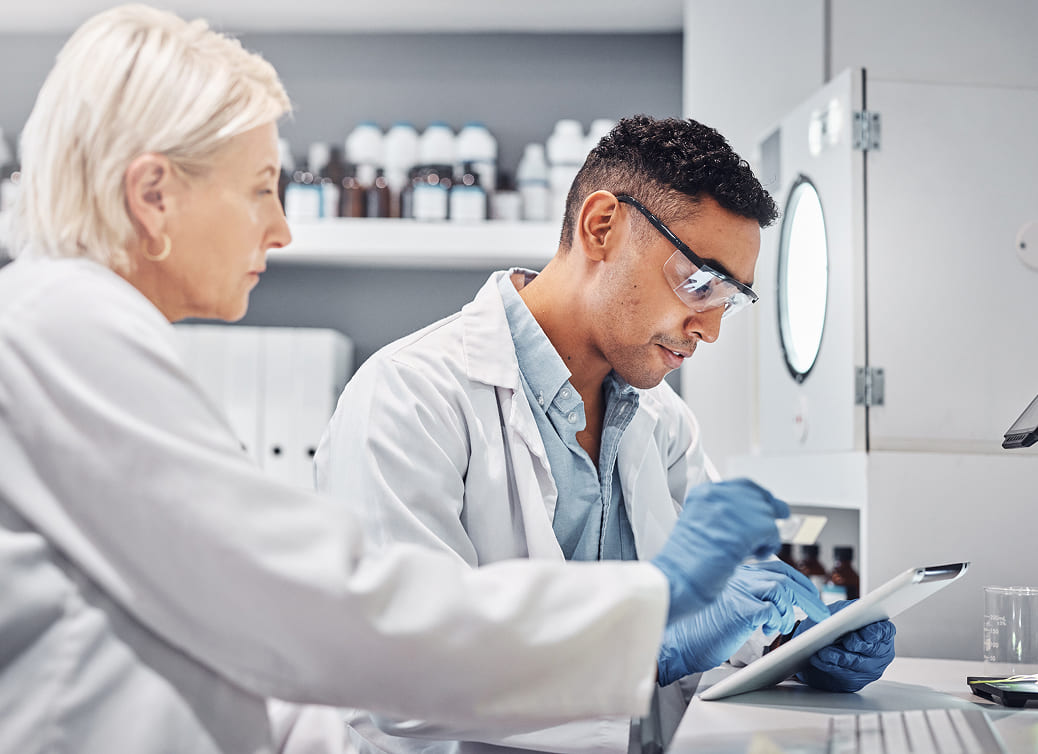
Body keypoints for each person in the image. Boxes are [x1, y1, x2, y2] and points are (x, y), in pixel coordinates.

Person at [0, 9, 794, 754]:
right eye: (258, 187)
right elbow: (327, 613)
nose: (280, 226)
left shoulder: (75, 333)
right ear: (152, 195)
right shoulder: (65, 330)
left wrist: (778, 638)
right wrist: (650, 617)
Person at [315, 116, 897, 753]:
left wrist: (798, 640)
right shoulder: (409, 396)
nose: (710, 330)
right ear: (601, 227)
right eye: (700, 282)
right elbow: (397, 676)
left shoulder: (661, 420)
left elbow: (724, 606)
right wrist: (650, 650)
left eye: (728, 300)